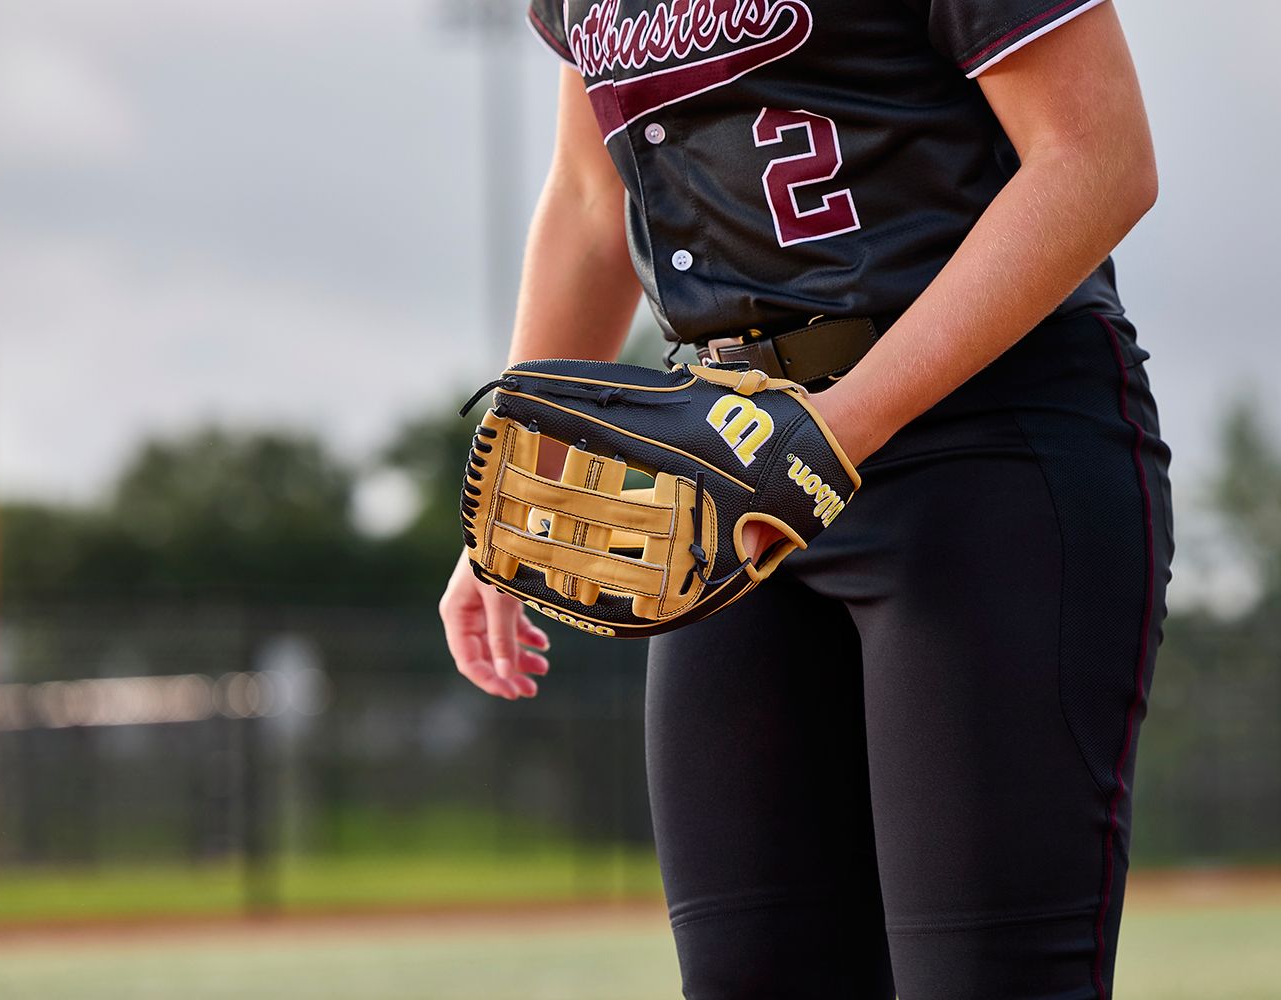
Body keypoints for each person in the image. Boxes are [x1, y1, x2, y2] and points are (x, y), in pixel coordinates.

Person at [439, 0, 1172, 996]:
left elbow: (1098, 158)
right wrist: (527, 483)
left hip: (984, 441)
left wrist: (834, 432)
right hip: (733, 463)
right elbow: (588, 196)